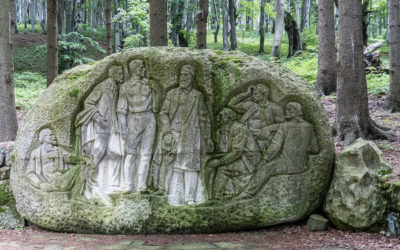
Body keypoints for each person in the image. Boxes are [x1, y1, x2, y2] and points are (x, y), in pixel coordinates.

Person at [236, 102, 319, 199]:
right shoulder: (309, 127)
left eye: (289, 109)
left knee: (265, 169)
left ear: (297, 112)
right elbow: (314, 149)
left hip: (287, 164)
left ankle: (247, 193)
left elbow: (275, 146)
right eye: (286, 109)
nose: (285, 111)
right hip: (302, 166)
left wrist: (265, 160)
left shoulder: (285, 126)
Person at [160, 64, 213, 206]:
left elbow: (204, 117)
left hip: (191, 135)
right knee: (174, 166)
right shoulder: (172, 94)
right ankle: (173, 196)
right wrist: (166, 133)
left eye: (186, 75)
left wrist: (208, 137)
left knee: (191, 166)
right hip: (174, 134)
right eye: (182, 75)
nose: (183, 78)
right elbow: (163, 114)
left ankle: (190, 198)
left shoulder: (197, 95)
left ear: (192, 78)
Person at [75, 65, 123, 196]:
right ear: (112, 73)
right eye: (119, 72)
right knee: (97, 153)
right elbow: (88, 103)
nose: (122, 75)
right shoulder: (102, 86)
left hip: (113, 125)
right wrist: (97, 118)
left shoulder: (116, 87)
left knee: (113, 153)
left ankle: (107, 184)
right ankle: (86, 183)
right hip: (102, 126)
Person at [117, 60, 156, 193]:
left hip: (149, 118)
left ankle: (141, 186)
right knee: (131, 153)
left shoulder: (150, 85)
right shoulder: (126, 87)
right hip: (133, 119)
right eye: (141, 67)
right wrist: (123, 128)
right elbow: (121, 110)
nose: (144, 69)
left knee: (146, 154)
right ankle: (128, 185)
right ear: (134, 69)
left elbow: (157, 105)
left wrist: (155, 89)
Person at [207, 108, 261, 199]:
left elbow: (237, 152)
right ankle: (213, 195)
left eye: (222, 116)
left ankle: (216, 194)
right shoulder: (223, 130)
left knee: (222, 169)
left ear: (230, 117)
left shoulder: (239, 128)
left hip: (247, 160)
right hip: (238, 157)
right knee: (213, 165)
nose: (219, 118)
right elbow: (224, 150)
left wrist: (219, 162)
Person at [228, 84, 285, 153]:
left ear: (263, 95)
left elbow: (283, 125)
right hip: (248, 138)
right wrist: (246, 94)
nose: (253, 96)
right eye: (253, 94)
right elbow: (231, 104)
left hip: (266, 139)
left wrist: (269, 128)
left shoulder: (274, 108)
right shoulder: (250, 105)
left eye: (256, 94)